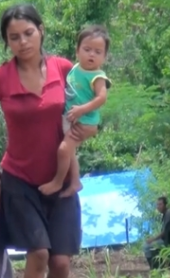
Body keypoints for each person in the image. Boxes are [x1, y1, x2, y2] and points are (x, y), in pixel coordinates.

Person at [0, 4, 82, 278]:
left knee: (60, 263)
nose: (23, 42)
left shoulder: (63, 68)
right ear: (7, 41)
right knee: (39, 254)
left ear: (41, 31)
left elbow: (84, 107)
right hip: (19, 180)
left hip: (61, 178)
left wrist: (82, 132)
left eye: (28, 33)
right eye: (14, 37)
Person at [39, 25, 111, 196]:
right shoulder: (75, 68)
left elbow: (102, 98)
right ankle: (76, 181)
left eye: (98, 51)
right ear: (77, 51)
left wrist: (81, 110)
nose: (92, 54)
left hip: (85, 121)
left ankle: (57, 182)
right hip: (71, 119)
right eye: (87, 49)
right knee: (69, 151)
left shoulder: (98, 76)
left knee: (64, 150)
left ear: (104, 57)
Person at [143, 196, 170, 262]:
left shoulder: (169, 214)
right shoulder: (167, 213)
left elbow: (164, 232)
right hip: (169, 239)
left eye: (160, 204)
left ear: (165, 205)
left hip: (169, 242)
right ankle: (157, 266)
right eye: (157, 204)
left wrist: (153, 239)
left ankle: (155, 267)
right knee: (150, 244)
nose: (158, 206)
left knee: (146, 246)